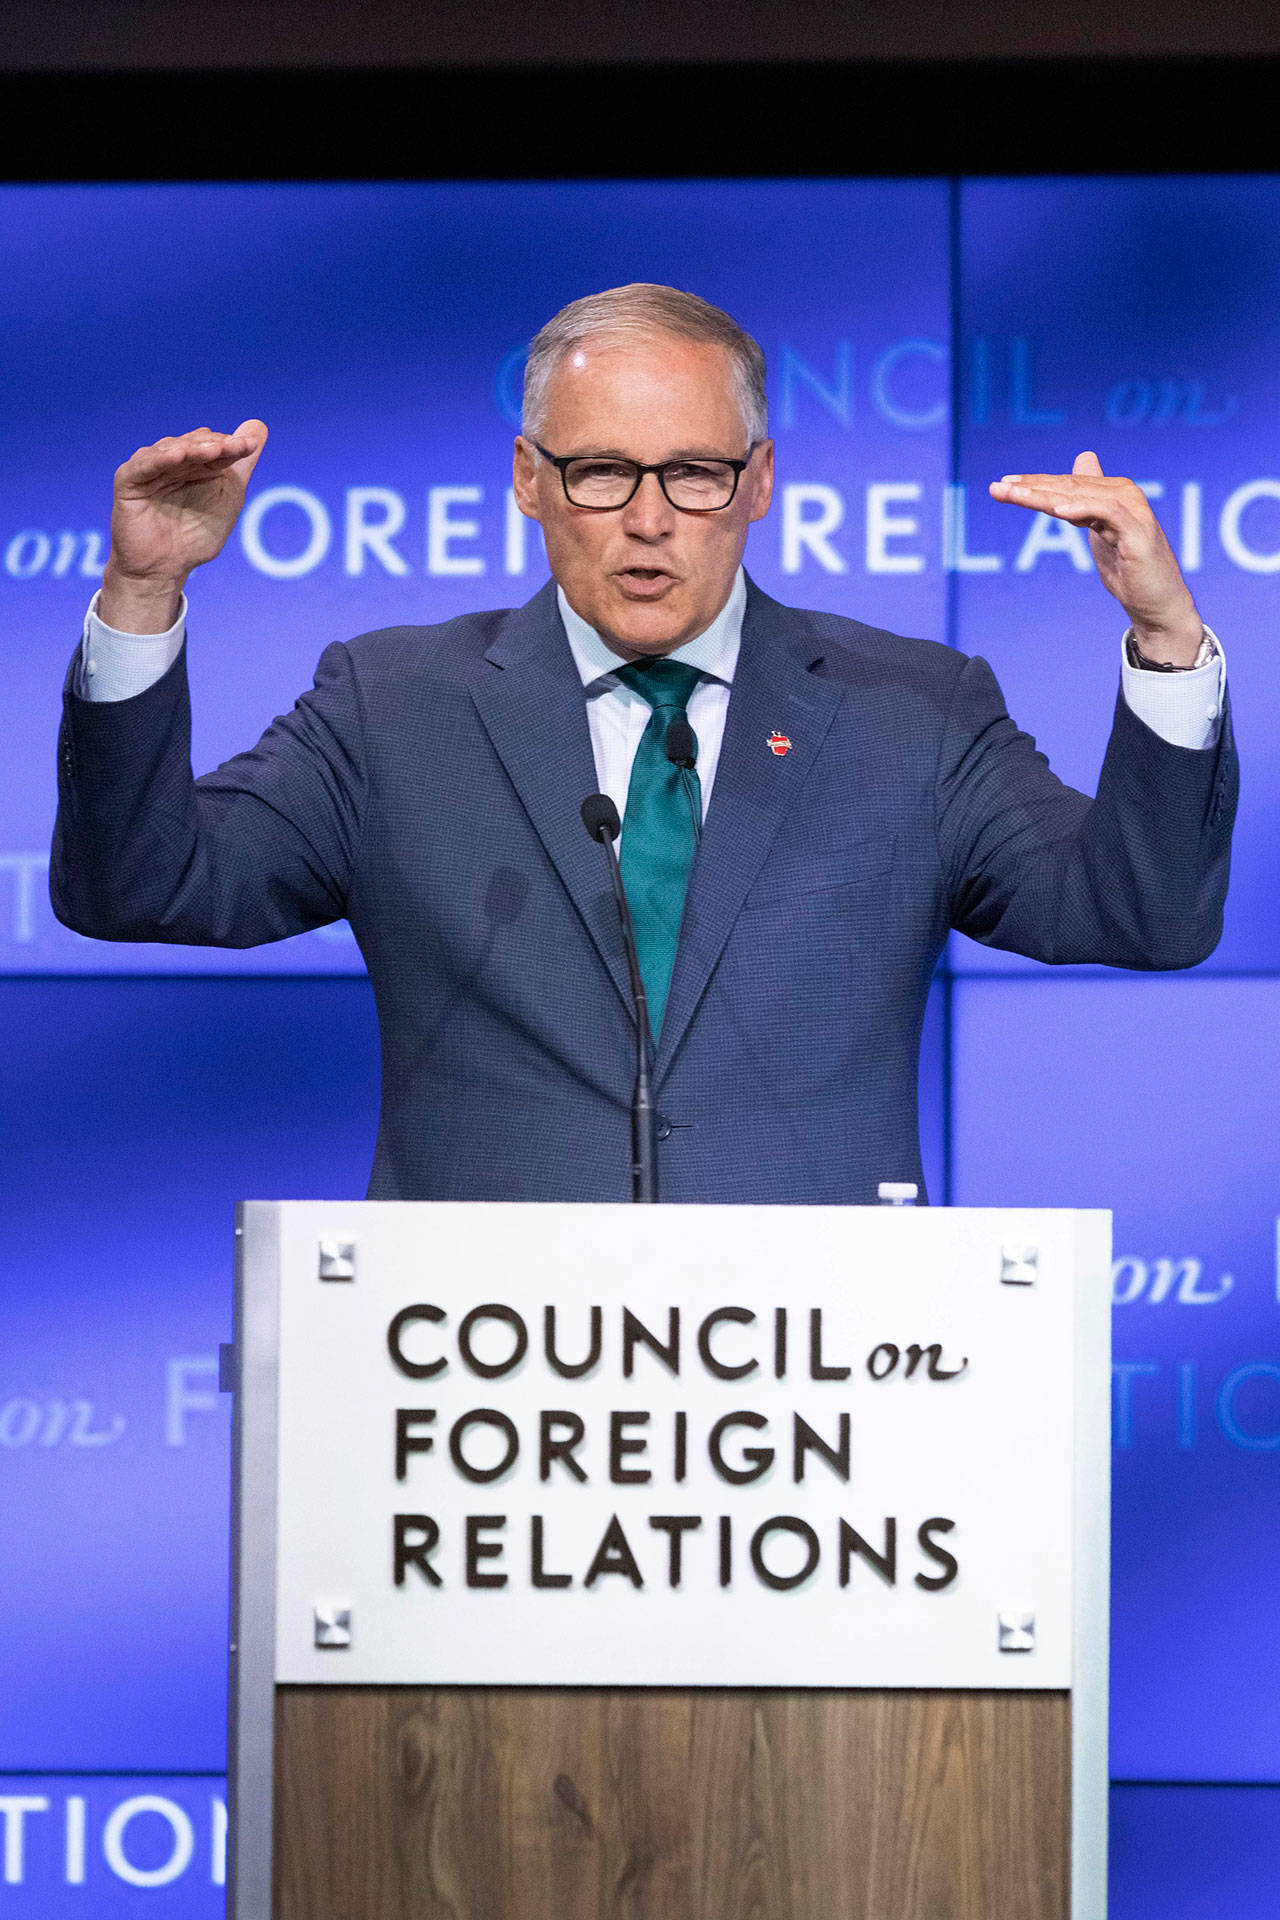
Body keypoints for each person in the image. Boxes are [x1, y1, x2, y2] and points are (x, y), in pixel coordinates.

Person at [51, 284, 1236, 1204]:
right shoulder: (393, 704)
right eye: (603, 471)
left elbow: (1134, 915)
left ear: (760, 482)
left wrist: (1164, 641)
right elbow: (143, 886)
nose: (651, 517)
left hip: (811, 1390)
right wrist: (143, 595)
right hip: (480, 1384)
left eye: (695, 473)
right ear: (527, 480)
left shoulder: (910, 711)